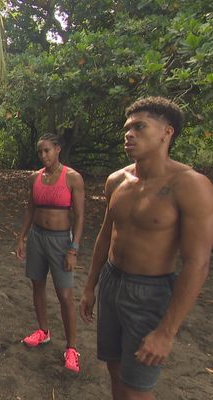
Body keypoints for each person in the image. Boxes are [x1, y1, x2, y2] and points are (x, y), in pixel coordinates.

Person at [79, 97, 213, 399]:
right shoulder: (117, 181)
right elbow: (105, 235)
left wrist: (167, 332)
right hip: (112, 283)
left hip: (149, 292)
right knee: (114, 369)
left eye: (140, 127)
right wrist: (91, 285)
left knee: (136, 387)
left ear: (167, 132)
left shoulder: (191, 185)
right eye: (127, 128)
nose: (129, 134)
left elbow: (197, 263)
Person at [15, 133, 85, 373]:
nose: (43, 155)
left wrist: (73, 249)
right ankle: (43, 331)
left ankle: (72, 348)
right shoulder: (35, 178)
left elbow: (80, 216)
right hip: (37, 237)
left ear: (58, 150)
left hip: (60, 241)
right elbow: (30, 209)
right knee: (37, 286)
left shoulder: (73, 178)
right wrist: (22, 237)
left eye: (47, 150)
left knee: (65, 295)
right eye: (40, 152)